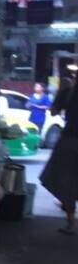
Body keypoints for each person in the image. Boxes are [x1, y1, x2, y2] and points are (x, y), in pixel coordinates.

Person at [41, 80, 78, 235]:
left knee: (66, 180)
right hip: (69, 141)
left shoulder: (67, 92)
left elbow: (53, 112)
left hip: (69, 140)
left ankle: (70, 222)